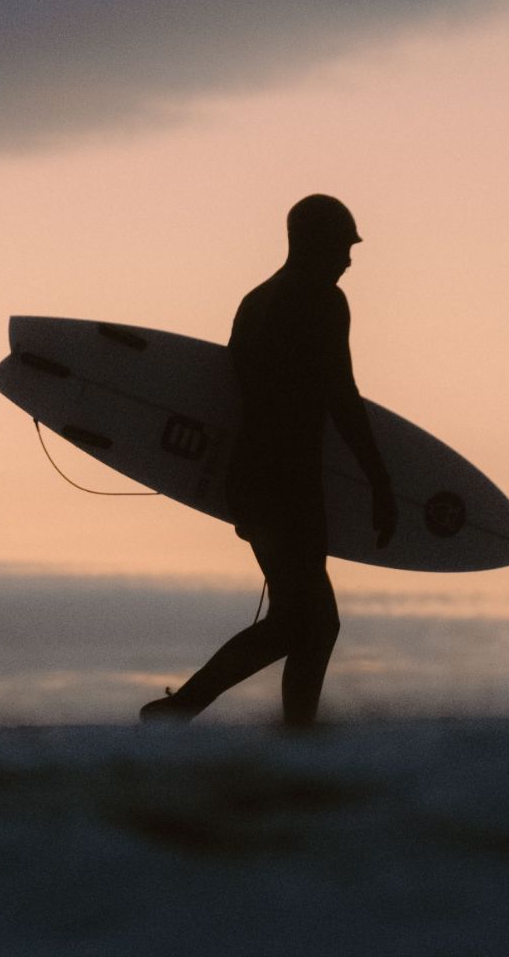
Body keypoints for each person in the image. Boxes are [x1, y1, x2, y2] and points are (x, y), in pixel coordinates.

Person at [143, 194, 396, 726]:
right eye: (342, 247)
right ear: (313, 243)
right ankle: (191, 711)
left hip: (252, 478)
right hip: (289, 483)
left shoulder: (254, 300)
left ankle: (272, 727)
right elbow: (340, 396)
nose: (349, 260)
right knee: (309, 623)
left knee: (301, 620)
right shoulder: (321, 300)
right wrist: (378, 480)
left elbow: (243, 392)